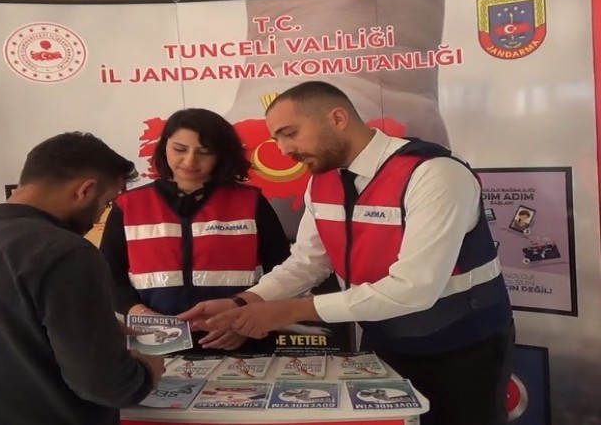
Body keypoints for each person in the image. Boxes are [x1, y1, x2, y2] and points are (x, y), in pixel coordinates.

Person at [180, 82, 515, 425]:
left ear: (337, 118)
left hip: (464, 343)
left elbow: (416, 287)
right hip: (384, 338)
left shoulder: (434, 172)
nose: (282, 150)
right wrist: (244, 301)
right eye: (278, 139)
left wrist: (290, 311)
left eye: (290, 134)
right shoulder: (322, 180)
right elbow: (308, 262)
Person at [0, 132, 165, 425]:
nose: (98, 219)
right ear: (85, 190)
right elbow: (106, 384)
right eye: (106, 203)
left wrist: (98, 330)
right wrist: (148, 369)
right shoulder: (68, 253)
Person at [100, 108, 291, 353]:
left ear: (221, 154)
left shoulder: (250, 202)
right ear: (164, 147)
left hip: (240, 338)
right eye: (180, 149)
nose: (190, 161)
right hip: (155, 342)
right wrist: (142, 315)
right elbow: (108, 276)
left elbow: (282, 271)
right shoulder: (128, 205)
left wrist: (245, 322)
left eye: (204, 152)